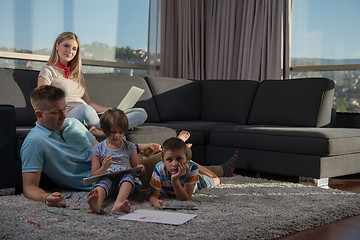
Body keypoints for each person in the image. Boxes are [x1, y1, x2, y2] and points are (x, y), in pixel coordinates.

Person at [21, 85, 239, 208]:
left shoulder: (73, 124)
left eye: (64, 109)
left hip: (124, 165)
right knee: (174, 156)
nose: (63, 116)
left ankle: (219, 170)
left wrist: (138, 147)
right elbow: (29, 186)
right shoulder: (34, 142)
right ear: (38, 114)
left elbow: (104, 145)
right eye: (56, 112)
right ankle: (219, 170)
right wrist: (45, 197)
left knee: (171, 156)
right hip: (106, 178)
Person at [37, 31, 147, 133]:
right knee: (84, 109)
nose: (70, 51)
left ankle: (106, 128)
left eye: (74, 49)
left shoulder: (77, 74)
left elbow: (89, 103)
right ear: (57, 46)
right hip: (69, 116)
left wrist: (110, 111)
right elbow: (42, 101)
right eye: (66, 46)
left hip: (90, 115)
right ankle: (117, 126)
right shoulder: (48, 70)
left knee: (141, 113)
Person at [148, 137, 240, 209]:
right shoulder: (159, 168)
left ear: (186, 159)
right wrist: (155, 202)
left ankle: (224, 170)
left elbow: (184, 198)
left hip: (194, 183)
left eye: (179, 159)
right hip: (177, 182)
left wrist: (175, 180)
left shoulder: (192, 169)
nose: (174, 164)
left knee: (216, 180)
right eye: (169, 160)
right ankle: (224, 169)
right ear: (163, 161)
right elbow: (152, 195)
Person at [87, 109, 145, 213]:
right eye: (113, 132)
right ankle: (97, 203)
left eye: (120, 132)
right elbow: (93, 175)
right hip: (107, 183)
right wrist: (104, 167)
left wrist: (140, 169)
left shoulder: (130, 147)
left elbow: (136, 167)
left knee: (128, 175)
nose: (117, 135)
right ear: (105, 130)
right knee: (103, 181)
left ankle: (119, 203)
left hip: (125, 185)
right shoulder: (98, 149)